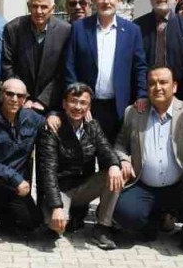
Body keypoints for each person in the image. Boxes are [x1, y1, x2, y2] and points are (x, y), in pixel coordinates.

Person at [110, 66, 183, 255]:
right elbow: (119, 144)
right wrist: (124, 160)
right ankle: (151, 224)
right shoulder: (134, 113)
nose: (157, 87)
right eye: (152, 83)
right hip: (145, 186)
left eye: (163, 82)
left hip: (180, 183)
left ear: (174, 87)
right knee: (124, 212)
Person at [35, 83, 123, 249]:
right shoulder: (52, 128)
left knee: (116, 174)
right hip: (59, 189)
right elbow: (48, 172)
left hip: (83, 187)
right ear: (64, 104)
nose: (77, 107)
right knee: (56, 227)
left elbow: (106, 150)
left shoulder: (92, 126)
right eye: (73, 102)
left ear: (89, 107)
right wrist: (56, 207)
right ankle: (61, 215)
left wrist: (114, 165)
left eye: (83, 103)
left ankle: (102, 228)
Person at [65, 0, 148, 143]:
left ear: (119, 0)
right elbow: (70, 66)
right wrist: (77, 101)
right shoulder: (79, 28)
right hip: (86, 105)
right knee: (83, 158)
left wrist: (142, 94)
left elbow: (139, 66)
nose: (106, 1)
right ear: (94, 0)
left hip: (118, 106)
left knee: (112, 158)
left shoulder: (132, 31)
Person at [0, 78, 45, 244]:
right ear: (1, 95)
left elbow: (50, 122)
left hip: (16, 188)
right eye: (10, 94)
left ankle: (7, 220)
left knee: (32, 223)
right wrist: (16, 178)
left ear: (25, 99)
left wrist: (53, 117)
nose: (14, 99)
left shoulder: (32, 118)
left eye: (20, 96)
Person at [1, 0, 72, 114]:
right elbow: (7, 66)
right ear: (28, 6)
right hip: (19, 103)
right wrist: (24, 96)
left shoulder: (65, 31)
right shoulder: (13, 29)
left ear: (53, 8)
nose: (39, 11)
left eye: (44, 7)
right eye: (35, 6)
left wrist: (43, 100)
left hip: (52, 105)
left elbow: (63, 71)